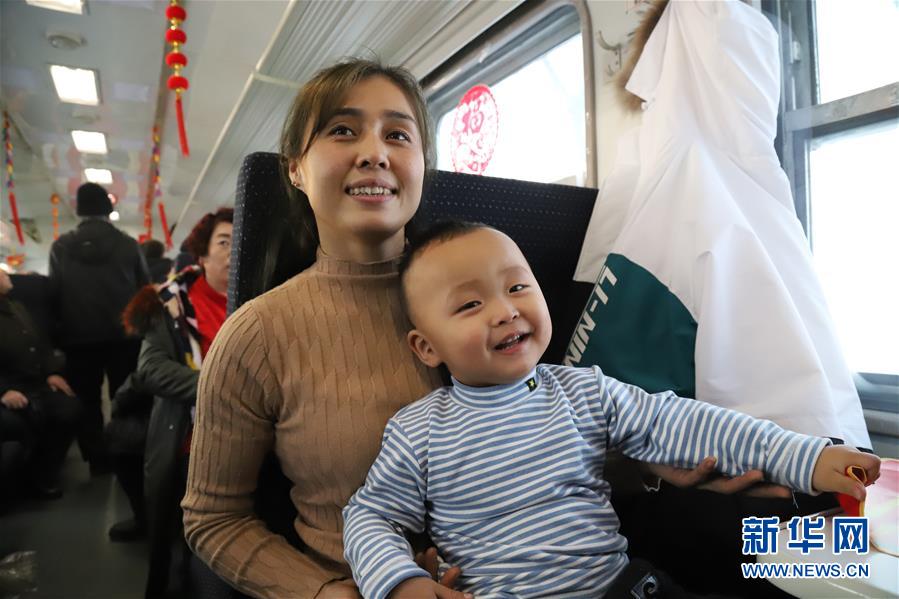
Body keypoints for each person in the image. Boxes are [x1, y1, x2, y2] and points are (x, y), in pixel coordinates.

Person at [182, 59, 775, 599]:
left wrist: (643, 465)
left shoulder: (499, 286)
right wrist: (325, 595)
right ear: (296, 169)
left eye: (397, 134)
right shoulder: (256, 336)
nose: (374, 152)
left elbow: (546, 444)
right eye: (343, 131)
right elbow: (213, 519)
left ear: (421, 164)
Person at [341, 222, 882, 599]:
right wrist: (397, 582)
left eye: (517, 286)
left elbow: (685, 423)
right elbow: (370, 515)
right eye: (470, 304)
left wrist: (806, 456)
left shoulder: (582, 391)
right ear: (426, 348)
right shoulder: (418, 431)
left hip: (626, 588)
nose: (506, 311)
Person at [119, 207, 232, 597]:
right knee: (180, 556)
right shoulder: (170, 305)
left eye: (241, 240)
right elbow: (152, 370)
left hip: (249, 441)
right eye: (224, 241)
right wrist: (227, 392)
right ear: (201, 255)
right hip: (190, 441)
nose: (235, 250)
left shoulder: (264, 300)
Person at [48, 182, 150, 475]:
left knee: (86, 399)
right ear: (108, 209)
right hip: (123, 336)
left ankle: (97, 460)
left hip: (77, 338)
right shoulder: (128, 245)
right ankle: (127, 453)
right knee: (124, 394)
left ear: (79, 210)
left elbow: (54, 293)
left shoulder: (60, 247)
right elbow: (144, 291)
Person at [0, 269, 81, 501]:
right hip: (11, 387)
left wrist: (51, 373)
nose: (7, 275)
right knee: (25, 421)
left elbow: (39, 343)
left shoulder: (16, 307)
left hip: (34, 382)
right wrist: (3, 391)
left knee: (70, 410)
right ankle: (28, 479)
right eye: (2, 274)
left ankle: (43, 473)